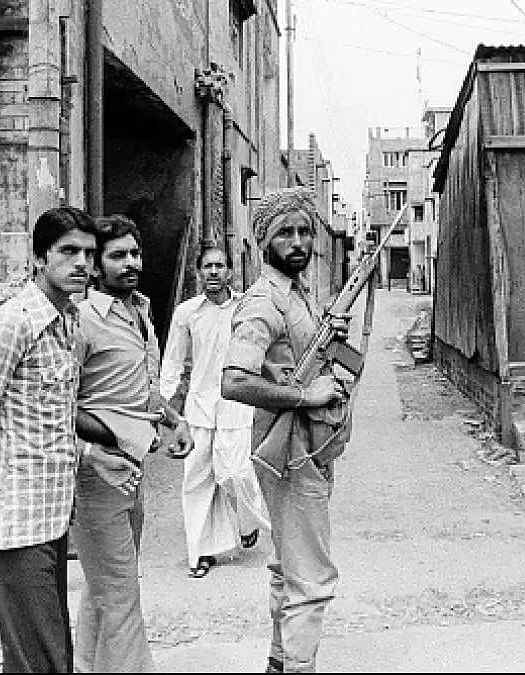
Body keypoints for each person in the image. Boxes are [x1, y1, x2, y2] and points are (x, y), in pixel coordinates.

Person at [0, 206, 98, 673]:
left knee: (48, 656)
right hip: (13, 522)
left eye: (89, 254)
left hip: (50, 517)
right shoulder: (14, 324)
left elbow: (54, 419)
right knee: (40, 661)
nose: (82, 265)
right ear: (38, 258)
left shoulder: (68, 320)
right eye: (68, 252)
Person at [221, 187, 350, 674]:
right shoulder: (262, 303)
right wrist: (305, 396)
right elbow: (233, 381)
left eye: (304, 232)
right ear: (264, 243)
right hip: (290, 450)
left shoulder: (297, 295)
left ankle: (280, 661)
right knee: (312, 578)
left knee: (287, 565)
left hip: (308, 450)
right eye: (284, 233)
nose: (297, 242)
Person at [70, 214, 193, 672]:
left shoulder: (141, 311)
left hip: (132, 467)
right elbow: (60, 403)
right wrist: (105, 441)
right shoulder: (79, 321)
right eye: (117, 255)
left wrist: (173, 418)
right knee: (120, 593)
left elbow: (141, 390)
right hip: (95, 473)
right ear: (96, 267)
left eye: (135, 253)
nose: (130, 263)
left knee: (103, 589)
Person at [161, 246, 268, 579]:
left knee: (235, 472)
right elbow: (174, 360)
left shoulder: (245, 309)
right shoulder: (187, 312)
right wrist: (165, 407)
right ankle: (201, 553)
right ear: (198, 272)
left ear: (230, 272)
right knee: (197, 479)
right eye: (207, 266)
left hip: (237, 402)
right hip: (200, 406)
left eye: (219, 266)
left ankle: (248, 521)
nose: (213, 272)